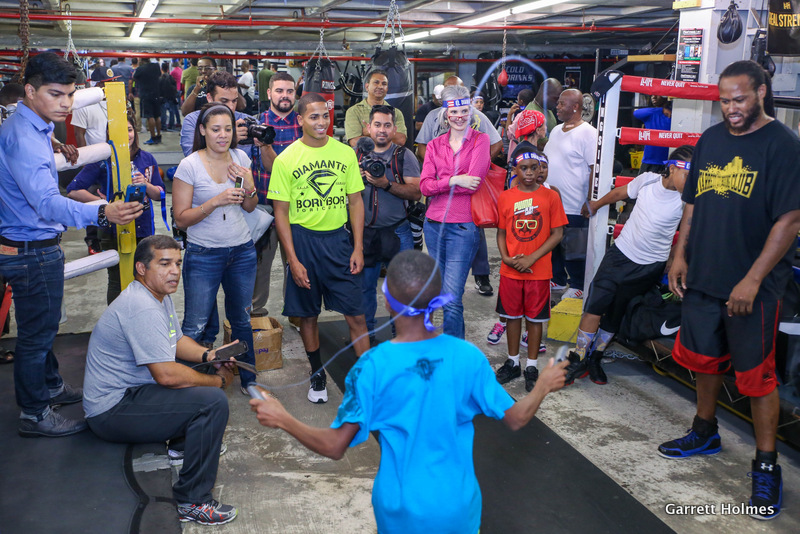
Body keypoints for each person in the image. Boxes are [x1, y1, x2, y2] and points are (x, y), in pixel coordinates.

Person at [249, 250, 569, 534]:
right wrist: (542, 385)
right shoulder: (467, 356)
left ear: (387, 299)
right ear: (438, 298)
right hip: (456, 509)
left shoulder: (371, 367)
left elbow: (334, 446)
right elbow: (515, 418)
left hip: (399, 512)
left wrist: (283, 418)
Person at [659, 60, 800, 521]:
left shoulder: (782, 146)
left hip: (752, 285)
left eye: (739, 99)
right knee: (703, 360)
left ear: (761, 92)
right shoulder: (711, 139)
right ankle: (704, 431)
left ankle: (766, 464)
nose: (731, 108)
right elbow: (692, 202)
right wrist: (680, 254)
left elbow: (790, 219)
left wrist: (754, 278)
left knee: (757, 377)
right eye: (724, 100)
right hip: (704, 274)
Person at [0, 52, 142, 438]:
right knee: (36, 337)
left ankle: (49, 387)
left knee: (41, 329)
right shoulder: (25, 138)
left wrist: (55, 145)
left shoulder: (32, 126)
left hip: (27, 243)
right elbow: (46, 202)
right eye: (55, 94)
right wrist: (102, 213)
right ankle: (34, 413)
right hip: (31, 248)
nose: (65, 104)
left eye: (70, 94)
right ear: (29, 91)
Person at [82, 235, 238, 526]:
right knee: (212, 401)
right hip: (111, 411)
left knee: (200, 372)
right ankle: (193, 501)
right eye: (164, 264)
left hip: (134, 392)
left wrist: (210, 355)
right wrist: (218, 382)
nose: (175, 271)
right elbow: (165, 375)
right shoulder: (141, 307)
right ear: (142, 268)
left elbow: (176, 341)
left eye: (178, 263)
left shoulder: (157, 296)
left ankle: (182, 446)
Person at [267, 92, 369, 404]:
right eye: (314, 116)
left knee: (357, 315)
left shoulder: (345, 153)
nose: (322, 122)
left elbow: (355, 201)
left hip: (338, 242)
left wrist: (358, 246)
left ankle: (366, 382)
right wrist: (293, 260)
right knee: (308, 316)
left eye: (325, 115)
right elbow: (280, 213)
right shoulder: (286, 159)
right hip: (304, 242)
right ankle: (317, 374)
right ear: (300, 120)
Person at [563, 145, 694, 386]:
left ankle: (596, 357)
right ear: (673, 169)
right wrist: (596, 204)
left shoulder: (688, 200)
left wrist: (674, 257)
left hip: (649, 266)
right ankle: (577, 358)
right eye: (689, 176)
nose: (692, 182)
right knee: (595, 306)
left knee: (616, 314)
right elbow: (618, 194)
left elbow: (688, 231)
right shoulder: (647, 181)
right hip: (621, 256)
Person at [173, 103, 259, 393]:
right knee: (195, 325)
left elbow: (249, 206)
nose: (223, 135)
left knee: (242, 320)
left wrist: (250, 185)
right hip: (204, 254)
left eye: (228, 128)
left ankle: (250, 382)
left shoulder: (241, 157)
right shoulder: (190, 165)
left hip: (242, 252)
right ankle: (189, 384)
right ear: (202, 131)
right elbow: (181, 219)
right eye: (215, 129)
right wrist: (215, 201)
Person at [67, 112, 165, 303]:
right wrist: (105, 206)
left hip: (143, 229)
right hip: (112, 231)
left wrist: (146, 184)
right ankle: (117, 324)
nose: (125, 135)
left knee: (145, 278)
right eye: (117, 131)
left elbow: (159, 194)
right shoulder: (102, 161)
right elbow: (73, 190)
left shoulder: (146, 159)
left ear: (135, 131)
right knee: (117, 280)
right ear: (108, 135)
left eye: (128, 129)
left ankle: (143, 319)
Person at [494, 143, 567, 392]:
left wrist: (531, 258)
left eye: (533, 168)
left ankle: (532, 365)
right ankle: (513, 362)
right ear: (515, 169)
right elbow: (501, 232)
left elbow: (557, 233)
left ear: (540, 170)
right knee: (512, 317)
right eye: (523, 168)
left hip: (539, 271)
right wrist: (505, 257)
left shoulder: (550, 196)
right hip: (511, 270)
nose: (528, 172)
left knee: (535, 319)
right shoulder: (506, 197)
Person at [420, 84, 489, 339]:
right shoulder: (434, 145)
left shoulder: (480, 141)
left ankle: (455, 358)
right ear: (445, 115)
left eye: (464, 111)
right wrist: (452, 181)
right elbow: (424, 187)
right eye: (453, 112)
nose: (459, 117)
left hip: (463, 227)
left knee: (451, 299)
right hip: (434, 225)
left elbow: (475, 183)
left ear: (470, 112)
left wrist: (443, 183)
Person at [357, 104, 421, 337]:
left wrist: (386, 184)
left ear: (394, 129)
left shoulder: (404, 155)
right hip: (364, 233)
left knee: (400, 290)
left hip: (397, 232)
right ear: (368, 128)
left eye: (386, 125)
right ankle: (367, 336)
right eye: (377, 125)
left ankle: (401, 336)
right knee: (364, 288)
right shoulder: (356, 153)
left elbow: (416, 193)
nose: (381, 130)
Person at [249, 71, 302, 318]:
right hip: (264, 207)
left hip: (297, 206)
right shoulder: (255, 125)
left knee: (296, 263)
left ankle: (295, 312)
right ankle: (256, 315)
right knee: (260, 265)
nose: (285, 96)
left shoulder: (304, 125)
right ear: (269, 93)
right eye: (279, 91)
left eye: (289, 91)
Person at [544, 88, 598, 299]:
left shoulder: (588, 133)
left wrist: (591, 199)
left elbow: (595, 168)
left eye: (562, 104)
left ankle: (578, 285)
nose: (557, 107)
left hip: (575, 203)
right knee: (553, 246)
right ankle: (557, 281)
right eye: (557, 103)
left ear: (575, 107)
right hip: (551, 201)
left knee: (574, 248)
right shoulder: (556, 130)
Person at [416, 75, 503, 160]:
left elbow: (497, 143)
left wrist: (478, 166)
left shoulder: (476, 115)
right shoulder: (433, 116)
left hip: (468, 172)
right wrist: (433, 165)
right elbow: (422, 145)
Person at [180, 70, 249, 157]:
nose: (231, 107)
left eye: (234, 101)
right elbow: (191, 158)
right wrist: (231, 138)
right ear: (209, 98)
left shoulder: (246, 122)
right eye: (224, 101)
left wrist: (265, 146)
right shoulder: (192, 121)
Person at [345, 69, 408, 147]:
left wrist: (370, 131)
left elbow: (400, 140)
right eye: (376, 82)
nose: (380, 86)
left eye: (384, 84)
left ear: (387, 89)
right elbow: (355, 142)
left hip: (389, 158)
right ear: (367, 86)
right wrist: (388, 134)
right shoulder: (354, 111)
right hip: (363, 158)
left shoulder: (396, 112)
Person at [633, 95, 672, 175]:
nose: (653, 97)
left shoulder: (674, 114)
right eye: (652, 94)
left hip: (667, 161)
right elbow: (636, 113)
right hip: (649, 160)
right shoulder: (651, 114)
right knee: (641, 186)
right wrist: (660, 110)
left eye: (657, 94)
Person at [133, 57, 162, 145]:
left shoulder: (140, 69)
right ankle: (159, 135)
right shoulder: (156, 66)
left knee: (150, 116)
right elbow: (159, 75)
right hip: (156, 93)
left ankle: (153, 137)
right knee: (157, 116)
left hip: (146, 95)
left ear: (141, 60)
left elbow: (134, 77)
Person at [524, 78, 562, 144]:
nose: (557, 103)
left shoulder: (547, 109)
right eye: (556, 98)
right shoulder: (531, 114)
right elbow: (538, 145)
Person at [159, 61, 180, 131]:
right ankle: (171, 125)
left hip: (163, 97)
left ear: (161, 69)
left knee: (163, 112)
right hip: (171, 96)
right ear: (168, 69)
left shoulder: (161, 78)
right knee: (172, 111)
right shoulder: (170, 77)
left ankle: (163, 126)